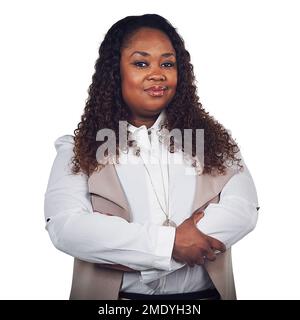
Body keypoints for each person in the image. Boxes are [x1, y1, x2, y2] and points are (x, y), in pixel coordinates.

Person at [44, 14, 259, 300]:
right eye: (141, 63)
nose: (157, 74)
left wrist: (137, 255)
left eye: (167, 63)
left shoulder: (214, 142)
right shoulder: (78, 149)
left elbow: (242, 211)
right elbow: (67, 228)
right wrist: (170, 245)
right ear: (116, 72)